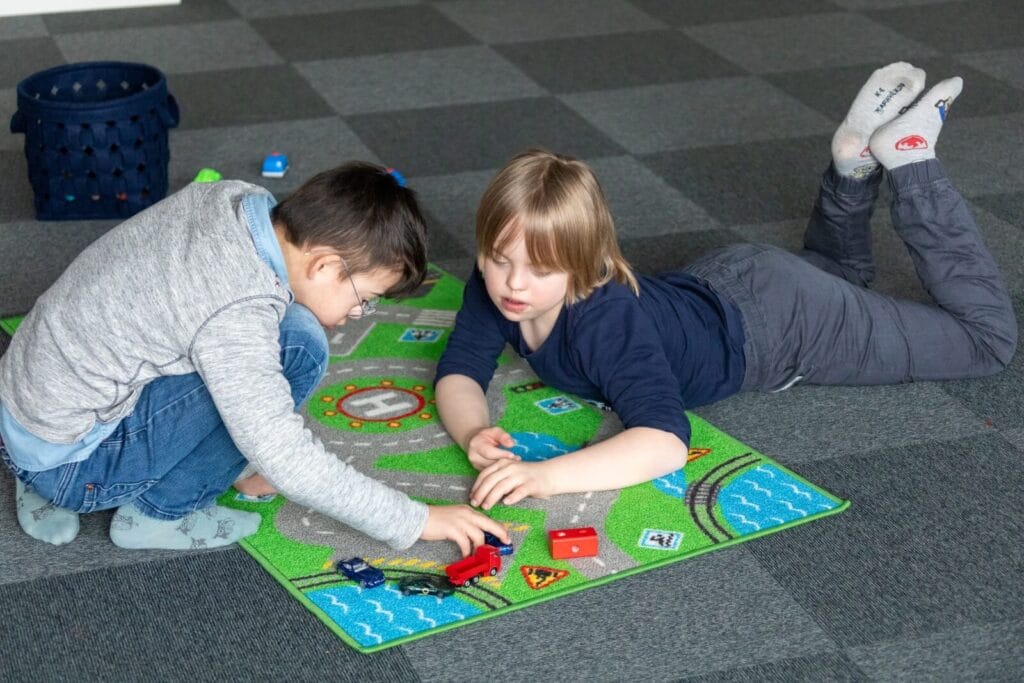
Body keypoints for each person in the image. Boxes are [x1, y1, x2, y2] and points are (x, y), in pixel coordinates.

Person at [434, 63, 1017, 511]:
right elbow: (460, 369)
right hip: (733, 278)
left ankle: (911, 161)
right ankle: (852, 162)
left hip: (782, 328)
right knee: (838, 281)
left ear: (589, 262)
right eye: (497, 257)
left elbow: (663, 441)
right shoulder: (495, 288)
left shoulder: (604, 322)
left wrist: (544, 477)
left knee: (986, 343)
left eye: (540, 270)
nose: (512, 284)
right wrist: (474, 431)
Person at [0, 161, 509, 555]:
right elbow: (286, 457)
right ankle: (160, 513)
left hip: (28, 404)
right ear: (327, 264)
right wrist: (418, 521)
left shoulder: (233, 200)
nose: (360, 313)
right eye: (364, 298)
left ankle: (37, 468)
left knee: (261, 340)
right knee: (299, 343)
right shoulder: (235, 310)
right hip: (75, 464)